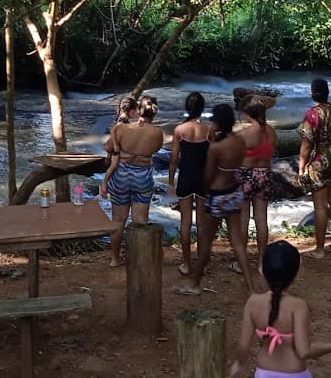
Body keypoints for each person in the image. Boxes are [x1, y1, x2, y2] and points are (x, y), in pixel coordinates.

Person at [173, 103, 256, 295]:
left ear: (218, 123)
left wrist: (203, 190)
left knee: (206, 240)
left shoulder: (217, 147)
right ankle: (251, 287)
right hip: (235, 193)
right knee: (237, 243)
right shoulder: (239, 141)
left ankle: (194, 283)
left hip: (218, 195)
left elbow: (208, 176)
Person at [230, 241, 331, 377]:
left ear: (262, 271)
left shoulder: (253, 302)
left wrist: (238, 363)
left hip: (263, 372)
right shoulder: (298, 306)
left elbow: (243, 347)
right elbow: (304, 351)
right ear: (296, 274)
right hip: (294, 373)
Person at [100, 94, 162, 267]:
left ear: (138, 111)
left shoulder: (122, 129)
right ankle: (137, 259)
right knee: (140, 220)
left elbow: (107, 147)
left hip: (121, 174)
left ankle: (115, 258)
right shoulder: (157, 133)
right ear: (154, 114)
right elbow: (154, 150)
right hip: (142, 175)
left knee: (118, 220)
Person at [297, 78, 331, 258]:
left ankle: (320, 249)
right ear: (327, 92)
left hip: (319, 161)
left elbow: (307, 144)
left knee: (320, 207)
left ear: (313, 93)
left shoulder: (312, 115)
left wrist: (301, 167)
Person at [167, 91, 214, 276]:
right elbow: (212, 157)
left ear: (187, 107)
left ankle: (186, 264)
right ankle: (202, 263)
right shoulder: (209, 130)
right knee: (202, 224)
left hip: (185, 178)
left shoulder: (179, 130)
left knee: (185, 223)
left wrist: (171, 183)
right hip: (203, 179)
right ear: (202, 109)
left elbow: (173, 159)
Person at [234, 96, 277, 274]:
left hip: (245, 175)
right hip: (264, 174)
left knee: (243, 219)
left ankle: (241, 262)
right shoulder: (271, 132)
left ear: (247, 113)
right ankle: (261, 262)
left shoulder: (244, 134)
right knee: (261, 219)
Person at [103, 95, 138, 160]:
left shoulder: (118, 119)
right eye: (136, 111)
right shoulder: (124, 123)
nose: (136, 113)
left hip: (112, 153)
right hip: (116, 155)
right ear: (132, 111)